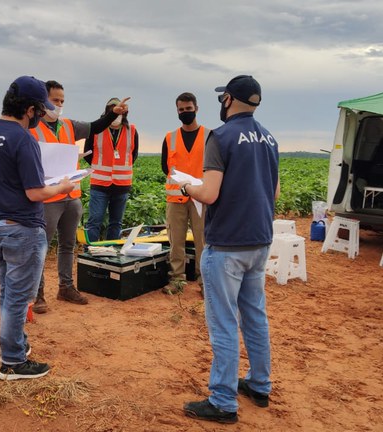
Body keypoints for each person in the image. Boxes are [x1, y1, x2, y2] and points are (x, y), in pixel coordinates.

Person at [181, 75, 280, 424]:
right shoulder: (269, 138)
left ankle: (223, 401)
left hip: (226, 245)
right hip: (259, 241)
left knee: (223, 324)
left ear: (229, 100)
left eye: (223, 97)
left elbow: (209, 194)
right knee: (255, 315)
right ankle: (259, 384)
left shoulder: (220, 137)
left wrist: (188, 187)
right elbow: (275, 193)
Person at [0, 75, 75, 381]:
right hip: (22, 227)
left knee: (8, 292)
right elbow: (35, 193)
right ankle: (12, 362)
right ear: (30, 110)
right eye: (40, 110)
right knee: (18, 298)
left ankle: (16, 345)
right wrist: (62, 186)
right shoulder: (24, 139)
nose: (42, 115)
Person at [30, 81, 129, 313]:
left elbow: (96, 127)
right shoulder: (31, 129)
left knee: (68, 245)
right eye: (55, 100)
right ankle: (38, 293)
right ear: (43, 101)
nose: (59, 105)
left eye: (62, 101)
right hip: (48, 198)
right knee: (41, 248)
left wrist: (111, 114)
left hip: (72, 195)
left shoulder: (69, 125)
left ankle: (65, 287)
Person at [160, 92, 207, 295]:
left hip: (202, 197)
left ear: (196, 108)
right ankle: (177, 280)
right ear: (177, 111)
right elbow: (165, 167)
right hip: (175, 198)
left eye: (188, 109)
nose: (185, 112)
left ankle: (205, 282)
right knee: (175, 242)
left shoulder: (210, 136)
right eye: (181, 110)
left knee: (203, 242)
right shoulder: (169, 138)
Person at [83, 98, 139, 242]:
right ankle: (91, 252)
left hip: (122, 185)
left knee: (116, 223)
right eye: (113, 110)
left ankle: (112, 253)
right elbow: (87, 153)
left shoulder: (131, 130)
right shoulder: (97, 129)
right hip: (100, 184)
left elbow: (133, 155)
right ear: (108, 112)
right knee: (94, 221)